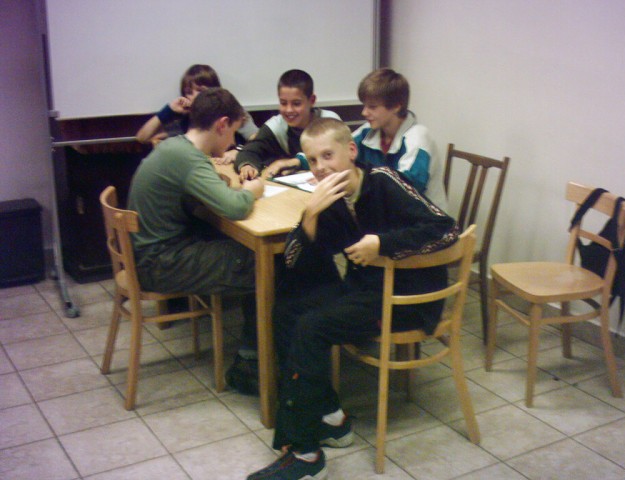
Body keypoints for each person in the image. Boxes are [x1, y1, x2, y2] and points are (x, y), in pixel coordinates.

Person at [246, 118, 459, 480]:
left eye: (328, 155)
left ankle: (306, 455)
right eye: (314, 160)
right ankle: (332, 419)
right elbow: (295, 261)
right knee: (288, 310)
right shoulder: (330, 200)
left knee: (312, 327)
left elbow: (447, 229)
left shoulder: (383, 181)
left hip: (406, 299)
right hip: (367, 290)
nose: (321, 167)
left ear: (351, 151)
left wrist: (382, 243)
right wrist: (311, 214)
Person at [127, 87, 265, 394]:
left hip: (150, 254)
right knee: (264, 264)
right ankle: (250, 363)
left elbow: (209, 190)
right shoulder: (188, 159)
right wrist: (252, 191)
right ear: (222, 124)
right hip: (160, 263)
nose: (232, 141)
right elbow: (235, 207)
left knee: (246, 251)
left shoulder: (176, 147)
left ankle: (257, 354)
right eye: (233, 132)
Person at [352, 68, 449, 211]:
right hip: (387, 213)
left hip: (425, 219)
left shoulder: (419, 138)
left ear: (396, 106)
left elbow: (404, 191)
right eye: (364, 105)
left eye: (372, 107)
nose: (364, 112)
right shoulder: (367, 132)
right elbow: (340, 149)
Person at [135, 64, 258, 164]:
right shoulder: (186, 120)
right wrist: (168, 110)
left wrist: (238, 151)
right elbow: (143, 137)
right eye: (189, 92)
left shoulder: (233, 112)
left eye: (200, 91)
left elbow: (259, 141)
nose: (194, 97)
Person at [234, 69, 340, 181]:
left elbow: (341, 158)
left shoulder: (330, 122)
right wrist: (247, 166)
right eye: (283, 103)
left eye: (296, 103)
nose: (289, 110)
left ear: (312, 100)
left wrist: (295, 162)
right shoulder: (276, 126)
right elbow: (249, 151)